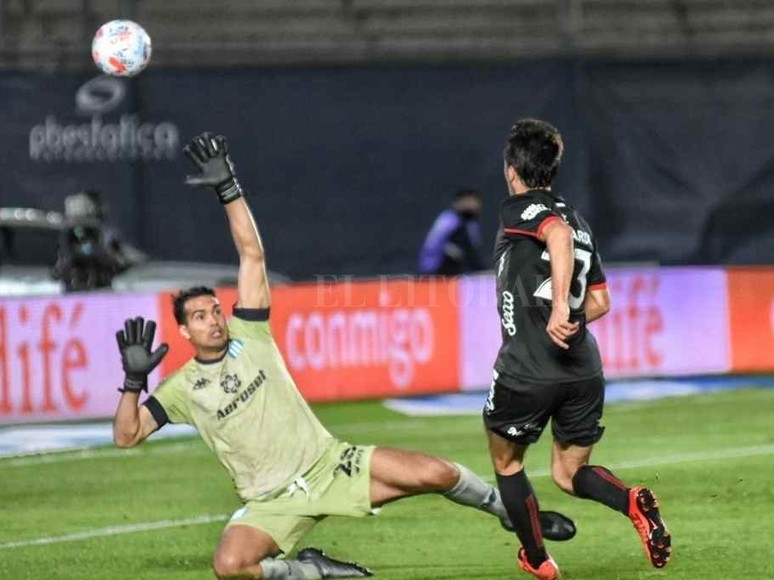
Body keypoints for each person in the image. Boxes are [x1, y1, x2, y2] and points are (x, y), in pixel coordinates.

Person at [112, 132, 576, 580]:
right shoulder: (181, 387)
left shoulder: (248, 330)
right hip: (272, 501)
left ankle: (510, 515)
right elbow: (127, 436)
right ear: (183, 330)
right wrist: (133, 385)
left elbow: (251, 255)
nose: (213, 320)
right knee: (229, 568)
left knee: (435, 472)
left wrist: (229, 190)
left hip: (331, 465)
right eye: (199, 317)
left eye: (215, 309)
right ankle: (310, 570)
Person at [483, 119, 672, 579]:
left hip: (529, 368)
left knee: (506, 462)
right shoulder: (579, 220)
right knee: (568, 474)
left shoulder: (522, 209)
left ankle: (538, 558)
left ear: (513, 170)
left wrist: (556, 315)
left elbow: (556, 236)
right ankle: (629, 501)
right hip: (582, 368)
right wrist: (572, 317)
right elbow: (602, 301)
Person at [417, 187, 485, 276]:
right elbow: (466, 251)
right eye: (467, 201)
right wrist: (481, 270)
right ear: (457, 203)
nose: (472, 205)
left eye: (474, 201)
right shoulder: (452, 221)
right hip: (436, 271)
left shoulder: (468, 223)